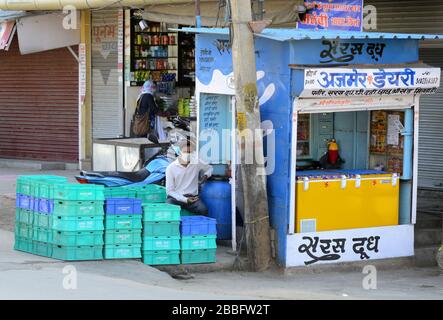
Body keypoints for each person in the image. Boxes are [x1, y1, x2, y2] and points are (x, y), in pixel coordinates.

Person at [165, 139, 213, 215]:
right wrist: (185, 199)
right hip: (176, 198)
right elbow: (169, 191)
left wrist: (206, 175)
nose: (188, 154)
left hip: (193, 198)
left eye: (190, 152)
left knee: (203, 210)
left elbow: (210, 168)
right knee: (168, 208)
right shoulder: (171, 168)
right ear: (179, 152)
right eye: (185, 152)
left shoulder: (196, 163)